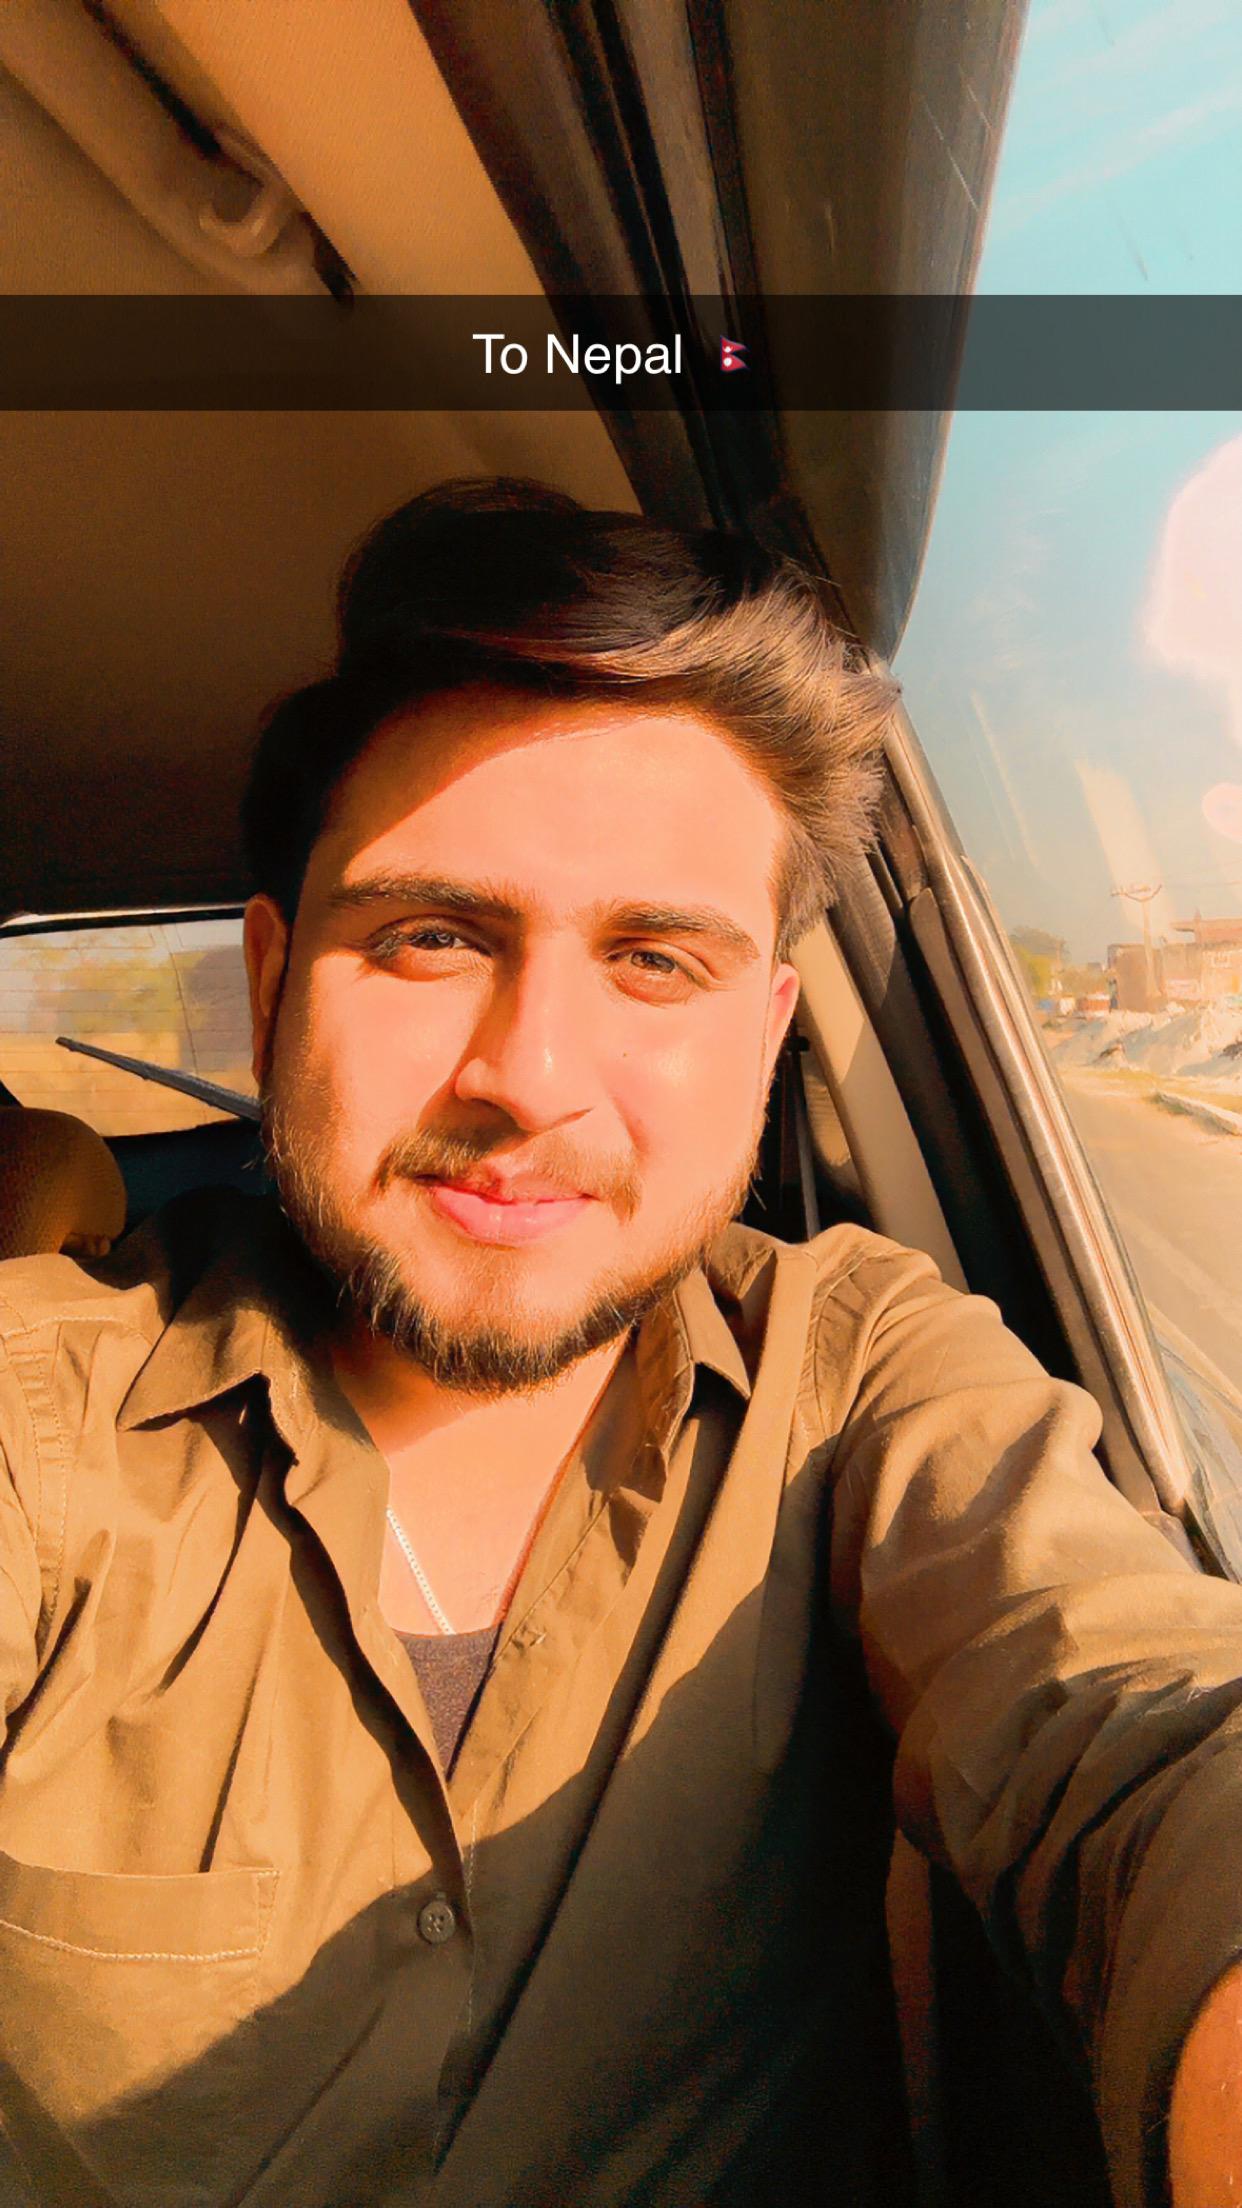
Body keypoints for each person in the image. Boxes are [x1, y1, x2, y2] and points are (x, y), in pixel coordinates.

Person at [0, 478, 1240, 2208]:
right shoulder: (45, 1413)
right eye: (433, 937)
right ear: (272, 985)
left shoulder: (855, 1375)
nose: (529, 1076)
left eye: (655, 961)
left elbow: (1128, 1714)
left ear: (766, 1034)